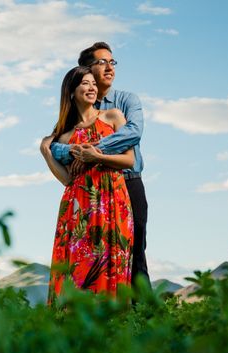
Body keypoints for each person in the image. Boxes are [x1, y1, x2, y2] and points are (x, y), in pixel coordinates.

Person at [41, 41, 150, 288]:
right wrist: (56, 150)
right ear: (85, 70)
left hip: (126, 182)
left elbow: (133, 133)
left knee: (134, 253)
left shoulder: (124, 102)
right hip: (87, 196)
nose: (109, 67)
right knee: (87, 258)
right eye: (102, 62)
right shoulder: (72, 121)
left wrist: (92, 152)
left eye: (112, 62)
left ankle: (143, 319)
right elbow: (59, 150)